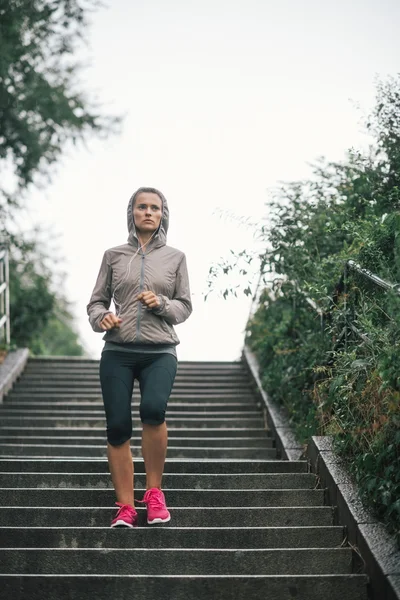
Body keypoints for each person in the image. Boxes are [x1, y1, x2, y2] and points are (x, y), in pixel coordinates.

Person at [87, 187, 192, 527]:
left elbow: (184, 306)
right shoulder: (113, 255)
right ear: (131, 212)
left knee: (152, 410)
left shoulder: (175, 258)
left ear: (163, 215)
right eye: (142, 207)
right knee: (118, 426)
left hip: (160, 350)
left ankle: (154, 494)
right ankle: (125, 506)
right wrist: (101, 318)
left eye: (155, 208)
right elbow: (96, 302)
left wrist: (160, 303)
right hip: (117, 351)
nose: (148, 212)